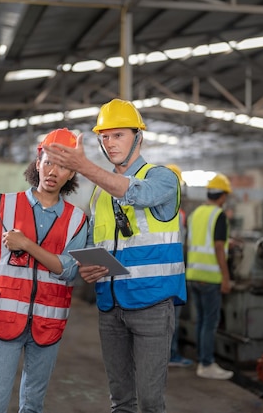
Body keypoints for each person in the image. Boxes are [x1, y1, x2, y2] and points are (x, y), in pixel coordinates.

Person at [43, 98, 187, 413]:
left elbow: (137, 193)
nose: (110, 143)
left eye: (118, 134)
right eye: (104, 137)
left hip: (151, 305)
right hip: (110, 307)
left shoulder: (162, 178)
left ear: (139, 136)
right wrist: (89, 267)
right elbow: (97, 243)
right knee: (120, 402)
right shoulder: (98, 194)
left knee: (150, 403)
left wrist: (85, 167)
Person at [0, 128, 89, 413]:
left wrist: (25, 243)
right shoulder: (7, 205)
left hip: (48, 325)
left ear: (72, 173)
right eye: (48, 161)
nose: (53, 171)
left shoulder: (77, 220)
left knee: (33, 406)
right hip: (4, 320)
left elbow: (68, 270)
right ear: (38, 163)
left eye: (63, 166)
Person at [186, 173, 234, 380]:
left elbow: (193, 243)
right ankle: (206, 363)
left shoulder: (195, 213)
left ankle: (201, 360)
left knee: (201, 321)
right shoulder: (219, 215)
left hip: (193, 274)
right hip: (210, 277)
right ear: (222, 196)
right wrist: (225, 277)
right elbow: (217, 247)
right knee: (209, 322)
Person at [165, 164, 194, 368]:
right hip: (172, 271)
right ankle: (171, 354)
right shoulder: (178, 212)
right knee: (171, 317)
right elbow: (180, 245)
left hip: (156, 271)